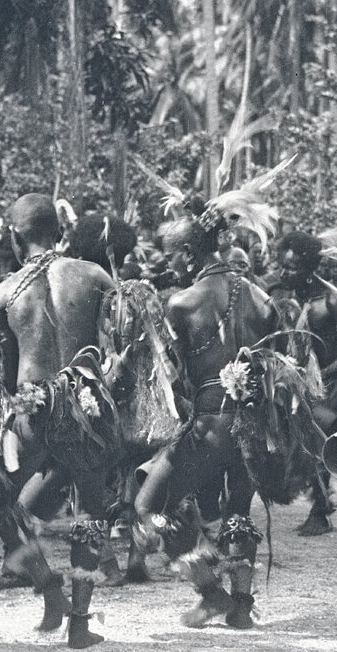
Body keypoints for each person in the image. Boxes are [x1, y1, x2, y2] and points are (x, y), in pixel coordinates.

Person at [135, 203, 323, 629]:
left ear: (187, 253)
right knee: (238, 509)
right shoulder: (260, 296)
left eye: (171, 255)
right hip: (255, 425)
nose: (170, 264)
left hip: (210, 424)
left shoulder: (183, 302)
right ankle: (241, 607)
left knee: (148, 504)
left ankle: (210, 593)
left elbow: (170, 376)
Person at [0, 193, 122, 647]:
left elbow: (2, 376)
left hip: (32, 407)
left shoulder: (5, 291)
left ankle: (48, 588)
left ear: (16, 237)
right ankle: (79, 623)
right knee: (91, 510)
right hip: (87, 405)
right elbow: (123, 342)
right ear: (60, 231)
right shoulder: (94, 274)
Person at [271, 230, 337, 536]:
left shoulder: (333, 300)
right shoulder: (281, 297)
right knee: (300, 438)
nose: (285, 273)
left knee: (318, 435)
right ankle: (316, 501)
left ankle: (321, 509)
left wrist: (324, 379)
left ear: (309, 268)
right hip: (300, 380)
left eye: (292, 268)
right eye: (283, 267)